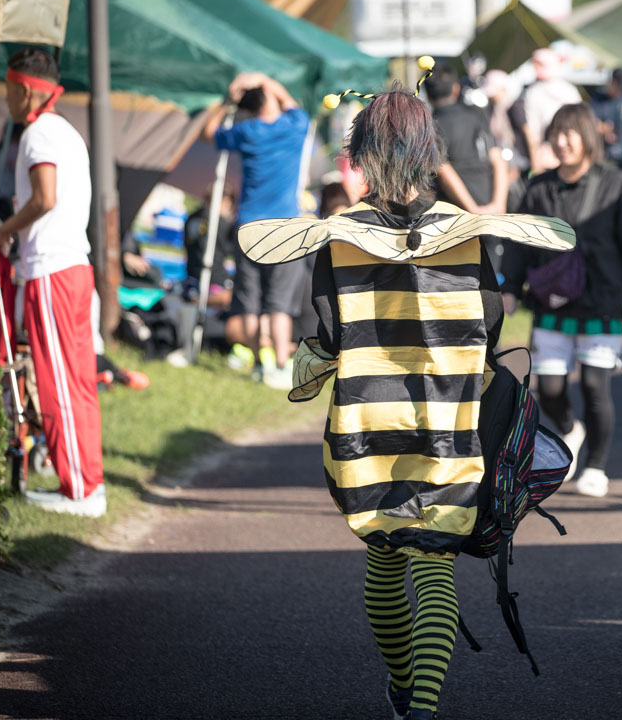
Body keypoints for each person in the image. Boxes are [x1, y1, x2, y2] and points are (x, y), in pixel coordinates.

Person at [235, 85, 573, 720]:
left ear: (361, 154)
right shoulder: (464, 232)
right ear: (428, 152)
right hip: (449, 421)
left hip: (367, 423)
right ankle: (422, 707)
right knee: (434, 562)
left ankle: (401, 687)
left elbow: (330, 333)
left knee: (385, 558)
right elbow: (490, 324)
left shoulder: (338, 236)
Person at [502, 103, 622, 499]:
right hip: (551, 303)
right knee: (549, 389)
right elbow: (521, 241)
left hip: (602, 299)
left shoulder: (616, 184)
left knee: (594, 385)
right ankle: (570, 429)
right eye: (555, 134)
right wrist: (510, 287)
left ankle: (595, 466)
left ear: (588, 137)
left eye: (569, 133)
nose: (561, 141)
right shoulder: (538, 187)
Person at [0, 47, 105, 517]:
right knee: (78, 381)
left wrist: (2, 231)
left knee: (57, 382)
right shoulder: (66, 131)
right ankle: (86, 483)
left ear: (25, 89)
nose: (6, 100)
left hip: (51, 270)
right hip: (73, 267)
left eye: (9, 91)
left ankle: (79, 490)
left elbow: (45, 198)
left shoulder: (38, 133)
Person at [202, 72, 310, 390]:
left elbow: (209, 133)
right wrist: (265, 80)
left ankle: (258, 365)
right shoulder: (294, 126)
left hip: (248, 225)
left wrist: (228, 101)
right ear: (270, 97)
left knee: (249, 301)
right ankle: (281, 366)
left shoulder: (247, 131)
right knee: (279, 304)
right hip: (285, 228)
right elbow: (288, 101)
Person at [425, 66, 509, 215]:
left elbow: (443, 170)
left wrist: (474, 210)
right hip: (491, 208)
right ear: (456, 88)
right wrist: (498, 204)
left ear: (428, 95)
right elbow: (498, 160)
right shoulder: (476, 115)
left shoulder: (429, 126)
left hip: (456, 215)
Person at [519, 48, 582, 176]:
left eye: (539, 64)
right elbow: (533, 132)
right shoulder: (534, 92)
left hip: (563, 153)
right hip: (549, 154)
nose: (536, 68)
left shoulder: (567, 90)